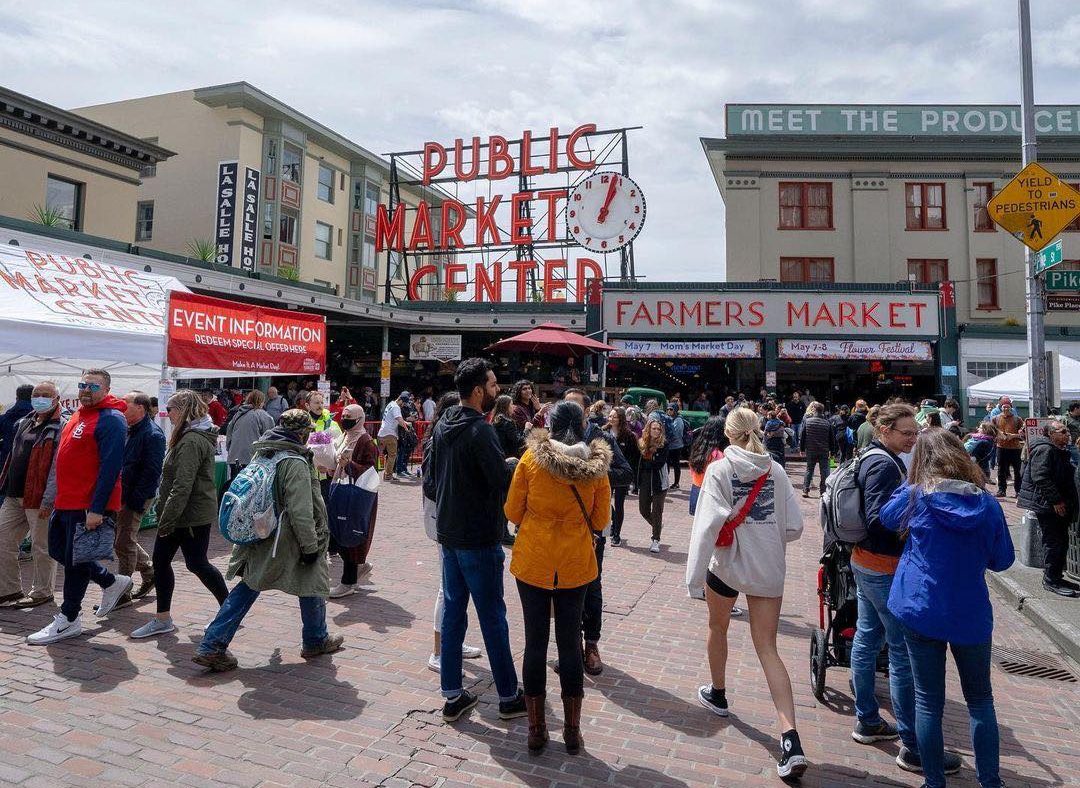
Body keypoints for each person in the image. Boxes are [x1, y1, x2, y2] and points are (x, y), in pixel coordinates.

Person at [880, 429, 1014, 788]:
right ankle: (991, 781)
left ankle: (934, 781)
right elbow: (1003, 560)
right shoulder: (987, 505)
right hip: (968, 610)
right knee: (981, 699)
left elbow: (886, 517)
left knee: (928, 701)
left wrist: (911, 485)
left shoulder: (916, 496)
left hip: (920, 606)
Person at [686, 407, 806, 779]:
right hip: (767, 567)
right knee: (768, 648)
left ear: (728, 432)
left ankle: (718, 692)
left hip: (726, 565)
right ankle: (790, 737)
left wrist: (693, 580)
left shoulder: (720, 469)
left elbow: (706, 528)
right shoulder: (777, 470)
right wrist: (765, 537)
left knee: (717, 628)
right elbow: (795, 527)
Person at [850, 403, 963, 776]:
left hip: (865, 561)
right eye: (906, 433)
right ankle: (913, 746)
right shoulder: (884, 464)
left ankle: (867, 719)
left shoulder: (871, 455)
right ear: (884, 430)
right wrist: (914, 523)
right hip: (882, 565)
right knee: (900, 654)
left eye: (914, 433)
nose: (913, 439)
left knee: (867, 637)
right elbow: (877, 518)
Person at [194, 409, 343, 670]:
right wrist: (310, 546)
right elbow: (301, 510)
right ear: (302, 432)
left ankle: (213, 644)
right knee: (312, 580)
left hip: (261, 531)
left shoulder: (263, 452)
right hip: (286, 538)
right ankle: (314, 639)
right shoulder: (294, 462)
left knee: (251, 585)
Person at [505, 401, 612, 754]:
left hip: (533, 561)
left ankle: (536, 729)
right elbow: (599, 522)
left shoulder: (531, 460)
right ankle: (572, 729)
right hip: (575, 564)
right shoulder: (596, 468)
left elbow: (512, 510)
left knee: (535, 643)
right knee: (569, 644)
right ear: (582, 426)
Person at [429, 358, 525, 722]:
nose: (498, 389)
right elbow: (500, 480)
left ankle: (452, 694)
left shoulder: (444, 423)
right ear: (479, 390)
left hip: (450, 531)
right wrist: (513, 464)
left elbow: (436, 475)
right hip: (477, 536)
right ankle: (507, 694)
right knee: (492, 616)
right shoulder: (479, 430)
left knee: (454, 611)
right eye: (494, 384)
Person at [27, 370, 132, 645]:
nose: (86, 390)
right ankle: (110, 581)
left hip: (87, 505)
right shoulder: (78, 415)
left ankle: (69, 617)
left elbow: (111, 468)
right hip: (66, 501)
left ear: (107, 388)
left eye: (93, 386)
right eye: (83, 384)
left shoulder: (112, 420)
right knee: (59, 551)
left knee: (75, 561)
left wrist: (97, 508)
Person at [130, 390, 230, 638]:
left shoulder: (191, 441)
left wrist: (167, 519)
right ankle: (163, 618)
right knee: (168, 563)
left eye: (171, 409)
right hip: (186, 513)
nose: (167, 414)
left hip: (188, 515)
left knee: (196, 563)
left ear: (183, 410)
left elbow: (182, 484)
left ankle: (230, 610)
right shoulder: (190, 436)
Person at [562, 387, 632, 676]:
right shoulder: (556, 439)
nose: (569, 413)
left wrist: (593, 471)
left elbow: (625, 472)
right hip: (562, 525)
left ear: (588, 411)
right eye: (565, 407)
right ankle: (570, 646)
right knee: (563, 587)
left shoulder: (600, 437)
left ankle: (591, 644)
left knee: (592, 583)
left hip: (594, 525)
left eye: (575, 407)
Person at [421, 393, 484, 673]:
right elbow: (430, 485)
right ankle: (438, 651)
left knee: (456, 587)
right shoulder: (438, 442)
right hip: (443, 521)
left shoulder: (446, 440)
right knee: (446, 588)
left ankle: (453, 642)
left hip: (451, 520)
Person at [0, 381, 64, 608]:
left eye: (46, 395)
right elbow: (13, 455)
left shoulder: (61, 426)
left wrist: (50, 498)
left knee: (41, 546)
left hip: (39, 497)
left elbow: (58, 467)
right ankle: (9, 590)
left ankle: (42, 592)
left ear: (57, 398)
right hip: (13, 493)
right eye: (37, 394)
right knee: (3, 539)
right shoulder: (24, 422)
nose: (40, 398)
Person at [1019, 420, 1080, 597]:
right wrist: (1056, 501)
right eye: (1062, 431)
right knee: (1054, 543)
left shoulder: (1059, 450)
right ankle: (1050, 580)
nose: (1067, 434)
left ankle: (1056, 576)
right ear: (1050, 434)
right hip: (1048, 506)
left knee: (1061, 542)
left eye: (1067, 431)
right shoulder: (1045, 449)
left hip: (1057, 504)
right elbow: (1041, 477)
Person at [116, 391, 166, 605]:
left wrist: (135, 501)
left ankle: (121, 593)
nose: (121, 406)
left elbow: (152, 472)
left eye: (125, 403)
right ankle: (150, 571)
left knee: (124, 542)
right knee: (123, 541)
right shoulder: (129, 429)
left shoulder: (152, 434)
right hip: (122, 494)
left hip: (135, 496)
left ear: (140, 408)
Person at [328, 404, 378, 598]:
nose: (345, 419)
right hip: (340, 488)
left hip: (357, 495)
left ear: (360, 419)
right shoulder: (344, 436)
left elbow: (371, 469)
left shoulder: (366, 441)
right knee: (337, 531)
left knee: (349, 533)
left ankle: (348, 582)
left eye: (350, 417)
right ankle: (359, 566)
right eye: (344, 416)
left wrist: (350, 465)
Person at [604, 407, 639, 546]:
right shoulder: (603, 432)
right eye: (610, 416)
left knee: (619, 504)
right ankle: (607, 529)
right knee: (605, 503)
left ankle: (616, 534)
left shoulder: (629, 436)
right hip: (606, 473)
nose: (611, 419)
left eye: (614, 417)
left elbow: (634, 457)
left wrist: (631, 477)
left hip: (621, 475)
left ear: (621, 419)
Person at [226, 389, 274, 478]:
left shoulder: (238, 414)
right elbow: (270, 439)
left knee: (235, 487)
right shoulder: (263, 415)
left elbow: (229, 433)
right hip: (253, 459)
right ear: (261, 401)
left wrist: (230, 450)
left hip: (234, 457)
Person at [637, 419, 669, 554]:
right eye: (654, 428)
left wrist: (648, 462)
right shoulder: (641, 443)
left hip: (659, 482)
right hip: (644, 480)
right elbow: (638, 462)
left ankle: (656, 539)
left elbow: (659, 463)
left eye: (658, 429)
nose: (656, 431)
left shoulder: (664, 444)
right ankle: (657, 525)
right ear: (648, 429)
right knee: (643, 509)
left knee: (657, 511)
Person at [799, 402, 836, 498]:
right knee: (824, 471)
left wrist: (802, 448)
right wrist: (833, 452)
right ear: (822, 411)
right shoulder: (827, 423)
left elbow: (803, 436)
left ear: (814, 410)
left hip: (811, 449)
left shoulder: (808, 421)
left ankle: (805, 490)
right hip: (824, 450)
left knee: (809, 470)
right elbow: (832, 439)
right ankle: (823, 491)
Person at [991, 399, 1023, 498]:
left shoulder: (1018, 419)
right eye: (1004, 406)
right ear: (1001, 407)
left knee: (1018, 470)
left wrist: (1012, 436)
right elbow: (992, 432)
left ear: (1011, 407)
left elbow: (1022, 435)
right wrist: (999, 435)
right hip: (1001, 447)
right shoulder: (995, 419)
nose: (1006, 408)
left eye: (1008, 406)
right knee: (1001, 470)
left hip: (1015, 448)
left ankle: (1018, 491)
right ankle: (1001, 490)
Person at [378, 391, 413, 482]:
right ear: (400, 400)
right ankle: (388, 475)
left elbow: (396, 419)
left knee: (378, 455)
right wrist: (406, 428)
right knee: (392, 455)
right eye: (404, 402)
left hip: (381, 433)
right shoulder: (396, 407)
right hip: (390, 434)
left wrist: (406, 423)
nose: (403, 405)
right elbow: (399, 419)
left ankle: (372, 474)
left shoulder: (390, 404)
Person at [0, 385, 34, 474]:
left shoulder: (4, 418)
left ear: (17, 398)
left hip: (7, 464)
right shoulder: (41, 418)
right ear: (33, 398)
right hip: (31, 465)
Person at [395, 392, 420, 477]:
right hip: (402, 431)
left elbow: (417, 415)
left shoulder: (412, 406)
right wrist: (407, 419)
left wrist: (415, 417)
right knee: (401, 450)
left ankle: (404, 468)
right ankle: (399, 469)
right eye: (409, 398)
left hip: (410, 431)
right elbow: (399, 419)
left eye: (412, 399)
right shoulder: (400, 406)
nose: (411, 400)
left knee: (408, 450)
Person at [492, 395, 525, 459]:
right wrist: (527, 429)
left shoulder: (495, 420)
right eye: (511, 404)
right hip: (510, 458)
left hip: (499, 456)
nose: (514, 407)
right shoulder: (508, 423)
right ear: (506, 406)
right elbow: (519, 442)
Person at [666, 404, 687, 489]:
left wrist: (667, 436)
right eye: (667, 409)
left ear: (675, 410)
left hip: (676, 446)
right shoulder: (669, 419)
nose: (669, 411)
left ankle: (676, 483)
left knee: (676, 465)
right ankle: (666, 482)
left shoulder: (678, 420)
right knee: (666, 464)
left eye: (671, 409)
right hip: (669, 445)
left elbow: (676, 434)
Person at [1064, 401, 1080, 466]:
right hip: (1072, 445)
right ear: (1076, 409)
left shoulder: (1078, 418)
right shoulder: (1065, 419)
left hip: (1078, 445)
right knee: (1075, 463)